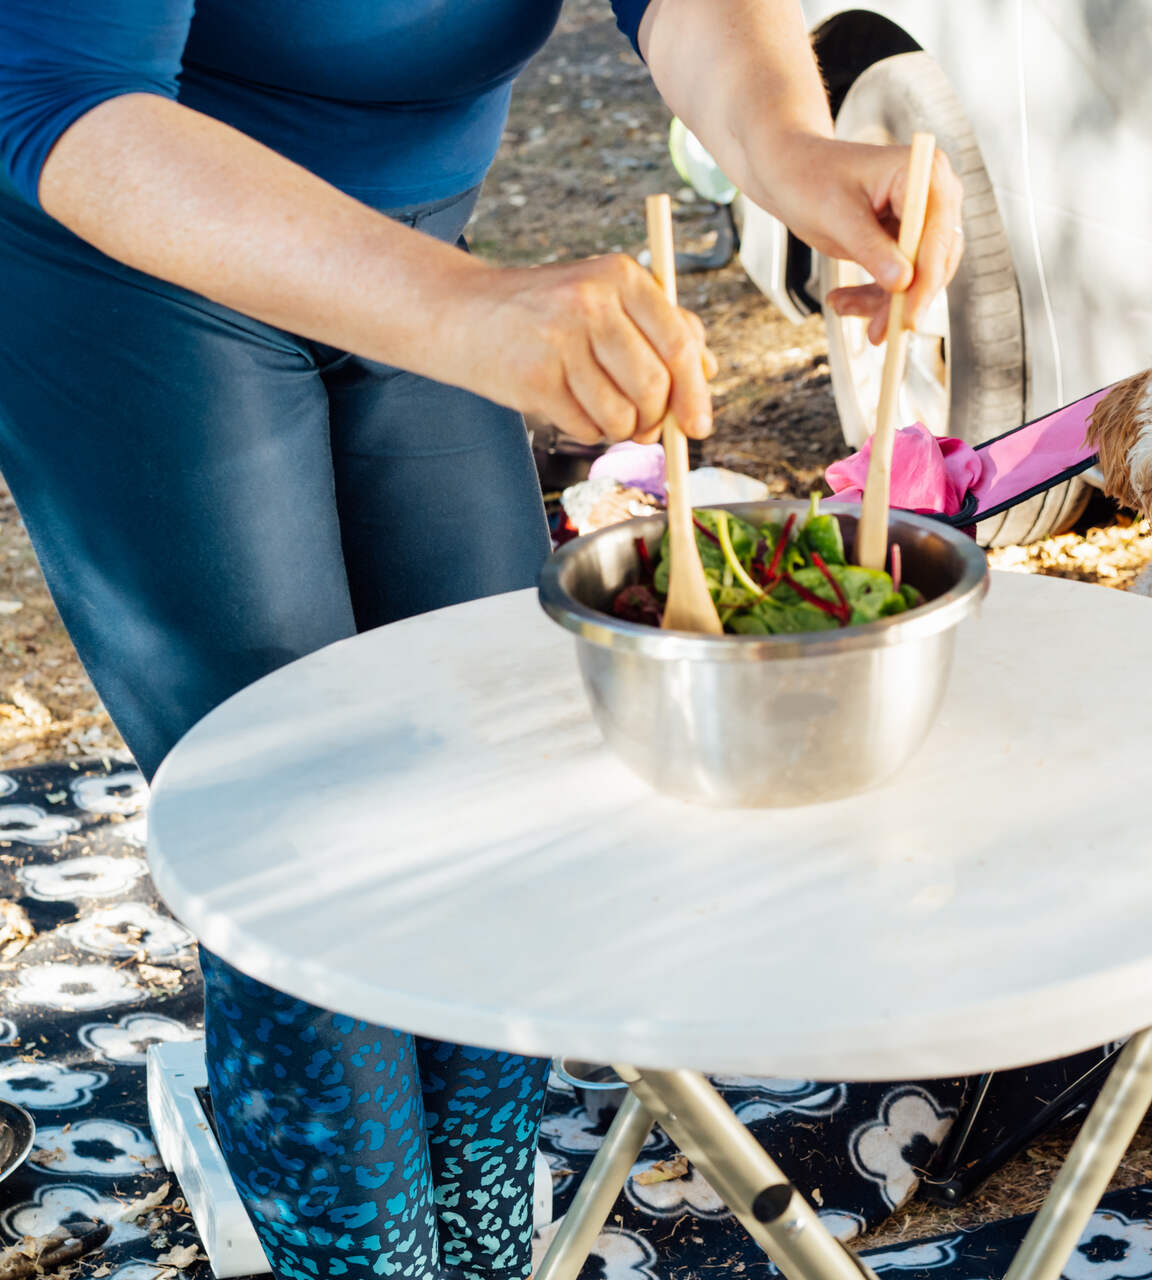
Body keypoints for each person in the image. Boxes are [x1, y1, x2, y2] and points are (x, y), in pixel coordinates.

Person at [0, 1, 960, 1276]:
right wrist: (460, 311)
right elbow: (53, 89)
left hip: (418, 239)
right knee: (304, 850)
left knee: (494, 795)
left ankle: (487, 1251)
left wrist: (786, 145)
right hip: (124, 267)